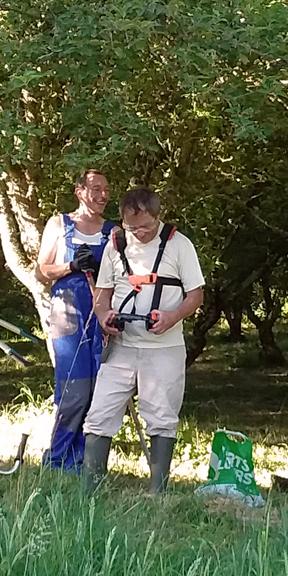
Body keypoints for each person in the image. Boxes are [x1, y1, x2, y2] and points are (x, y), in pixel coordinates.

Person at [82, 187, 205, 495]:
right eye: (131, 227)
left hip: (164, 349)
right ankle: (90, 492)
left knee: (161, 417)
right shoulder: (116, 244)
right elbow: (102, 294)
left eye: (146, 226)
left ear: (157, 215)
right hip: (121, 347)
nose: (139, 233)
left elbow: (196, 295)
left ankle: (157, 492)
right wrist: (104, 317)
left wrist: (172, 316)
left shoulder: (179, 245)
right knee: (99, 414)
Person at [36, 170, 116, 471]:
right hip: (67, 311)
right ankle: (56, 459)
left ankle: (86, 460)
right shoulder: (59, 224)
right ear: (80, 191)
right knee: (74, 388)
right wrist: (71, 265)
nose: (103, 195)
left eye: (106, 189)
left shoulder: (114, 232)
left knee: (99, 390)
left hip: (102, 312)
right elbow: (41, 271)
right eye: (96, 188)